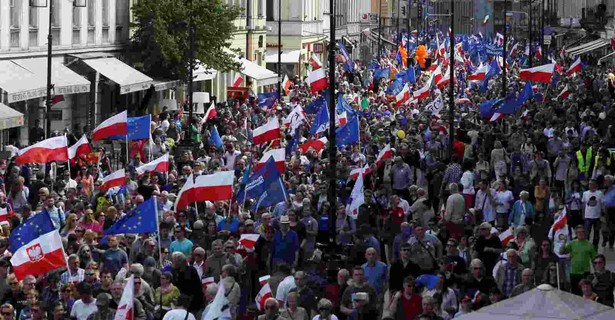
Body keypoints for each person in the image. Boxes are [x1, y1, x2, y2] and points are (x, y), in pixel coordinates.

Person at [560, 225, 597, 295]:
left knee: (586, 293)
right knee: (575, 294)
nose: (581, 233)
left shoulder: (589, 244)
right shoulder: (572, 243)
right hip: (574, 273)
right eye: (579, 232)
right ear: (576, 234)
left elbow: (594, 260)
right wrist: (564, 242)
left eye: (582, 232)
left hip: (585, 273)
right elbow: (561, 252)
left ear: (585, 233)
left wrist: (596, 274)